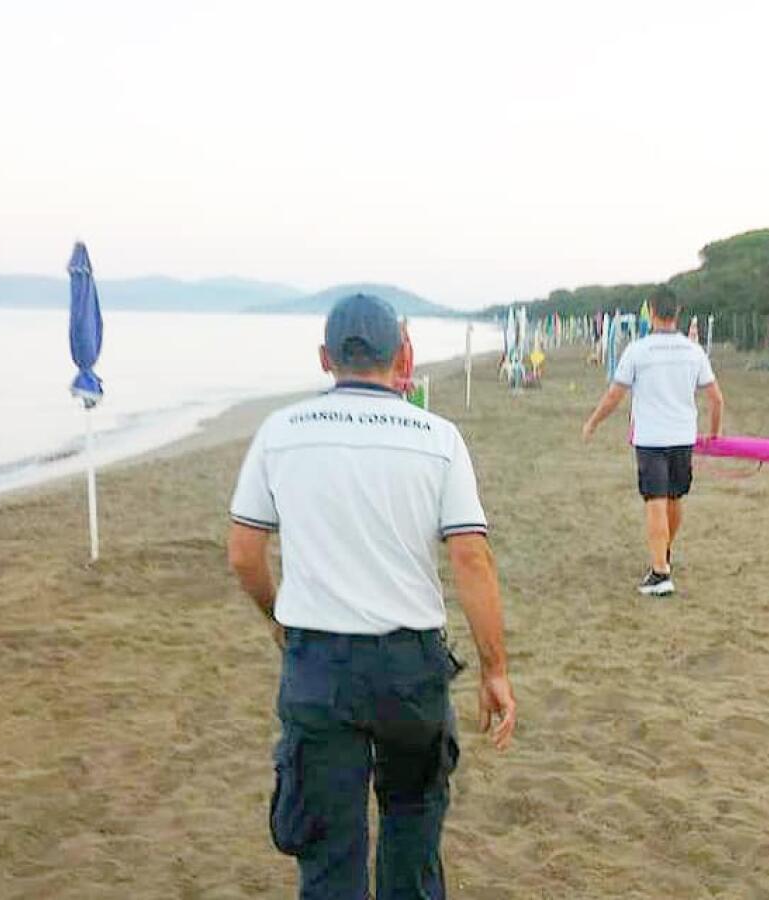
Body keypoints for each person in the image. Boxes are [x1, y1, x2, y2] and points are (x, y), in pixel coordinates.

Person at [227, 293, 516, 900]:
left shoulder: (282, 432)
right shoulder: (438, 437)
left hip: (319, 664)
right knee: (412, 831)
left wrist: (278, 619)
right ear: (404, 354)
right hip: (410, 666)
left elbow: (244, 553)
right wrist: (495, 669)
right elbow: (470, 557)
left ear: (325, 357)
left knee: (330, 853)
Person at [581, 285, 724, 595]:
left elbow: (614, 395)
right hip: (683, 436)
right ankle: (664, 553)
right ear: (678, 313)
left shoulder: (638, 350)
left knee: (656, 502)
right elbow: (716, 399)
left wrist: (593, 422)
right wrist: (714, 433)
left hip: (651, 437)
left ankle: (660, 573)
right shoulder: (693, 351)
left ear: (651, 312)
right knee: (674, 498)